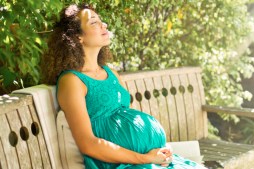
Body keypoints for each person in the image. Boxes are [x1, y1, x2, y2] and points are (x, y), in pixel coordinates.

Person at [41, 3, 206, 169]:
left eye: (101, 21)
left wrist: (158, 150)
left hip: (151, 159)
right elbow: (88, 144)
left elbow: (129, 117)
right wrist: (145, 158)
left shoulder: (112, 73)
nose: (103, 25)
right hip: (125, 165)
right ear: (78, 36)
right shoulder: (72, 80)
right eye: (93, 23)